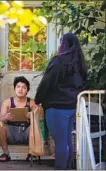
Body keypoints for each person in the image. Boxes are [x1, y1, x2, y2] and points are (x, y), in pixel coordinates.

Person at [34, 33, 87, 169]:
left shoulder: (58, 61)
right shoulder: (79, 63)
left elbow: (47, 82)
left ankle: (61, 168)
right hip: (71, 106)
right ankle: (67, 167)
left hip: (56, 107)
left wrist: (38, 99)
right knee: (66, 140)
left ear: (64, 44)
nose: (59, 45)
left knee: (61, 142)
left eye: (60, 42)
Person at [0, 76, 36, 162]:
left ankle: (31, 154)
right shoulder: (7, 102)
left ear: (27, 91)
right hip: (11, 132)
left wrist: (32, 116)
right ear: (14, 89)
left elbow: (39, 121)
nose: (20, 89)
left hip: (26, 132)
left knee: (34, 127)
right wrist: (6, 118)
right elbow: (1, 120)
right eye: (18, 87)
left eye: (23, 87)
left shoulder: (31, 102)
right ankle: (6, 154)